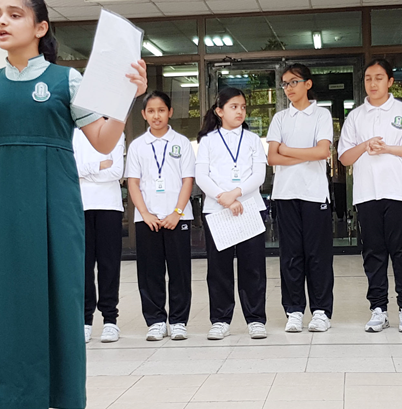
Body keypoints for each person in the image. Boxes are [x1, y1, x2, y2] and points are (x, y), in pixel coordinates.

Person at [0, 0, 146, 409]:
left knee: (61, 299)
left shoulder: (65, 80)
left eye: (14, 14)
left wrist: (128, 95)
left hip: (56, 204)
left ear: (40, 28)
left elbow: (103, 141)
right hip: (3, 206)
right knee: (5, 303)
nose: (2, 22)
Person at [338, 59, 402, 334]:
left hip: (399, 192)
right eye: (368, 78)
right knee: (373, 252)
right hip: (367, 194)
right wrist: (365, 145)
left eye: (378, 77)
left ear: (390, 81)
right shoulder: (356, 116)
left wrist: (388, 148)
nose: (373, 83)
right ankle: (378, 309)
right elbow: (344, 157)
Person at [266, 64, 335, 334]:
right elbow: (272, 157)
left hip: (314, 193)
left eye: (294, 82)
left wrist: (287, 150)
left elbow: (322, 152)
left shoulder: (321, 115)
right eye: (285, 83)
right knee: (291, 256)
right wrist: (304, 153)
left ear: (308, 83)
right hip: (285, 194)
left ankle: (321, 311)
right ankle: (294, 310)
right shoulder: (280, 118)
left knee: (318, 256)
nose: (288, 88)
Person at [195, 87, 268, 340]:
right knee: (219, 268)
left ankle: (256, 319)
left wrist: (235, 194)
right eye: (234, 107)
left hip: (249, 208)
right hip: (217, 210)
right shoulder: (208, 141)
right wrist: (223, 198)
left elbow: (259, 175)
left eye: (243, 107)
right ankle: (220, 320)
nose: (240, 111)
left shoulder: (253, 140)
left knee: (253, 267)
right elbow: (202, 176)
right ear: (219, 111)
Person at [126, 91, 195, 343]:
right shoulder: (137, 146)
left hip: (177, 217)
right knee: (150, 272)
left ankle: (178, 322)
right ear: (144, 115)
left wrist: (177, 213)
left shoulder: (182, 143)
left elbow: (188, 180)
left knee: (180, 272)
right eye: (151, 111)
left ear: (170, 112)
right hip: (148, 219)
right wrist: (145, 213)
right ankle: (155, 321)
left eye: (161, 110)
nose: (157, 115)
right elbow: (133, 182)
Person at [73, 126, 125, 344]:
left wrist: (85, 171)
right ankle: (85, 320)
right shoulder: (74, 133)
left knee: (109, 265)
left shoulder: (115, 132)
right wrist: (99, 165)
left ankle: (110, 320)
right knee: (83, 266)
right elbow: (71, 169)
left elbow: (116, 171)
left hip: (109, 206)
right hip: (80, 206)